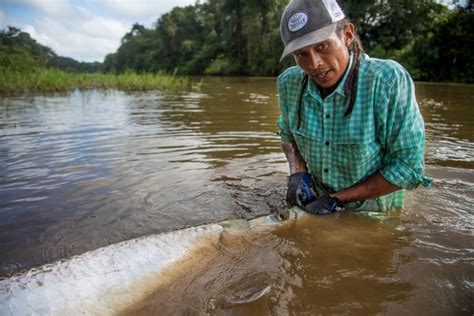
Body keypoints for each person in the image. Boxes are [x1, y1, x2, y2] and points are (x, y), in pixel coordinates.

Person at [277, 0, 432, 215]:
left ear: (347, 35)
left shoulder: (386, 81)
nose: (314, 64)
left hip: (373, 215)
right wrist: (298, 173)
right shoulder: (289, 84)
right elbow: (287, 133)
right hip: (314, 205)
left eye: (322, 46)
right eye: (301, 54)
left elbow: (407, 168)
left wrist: (336, 199)